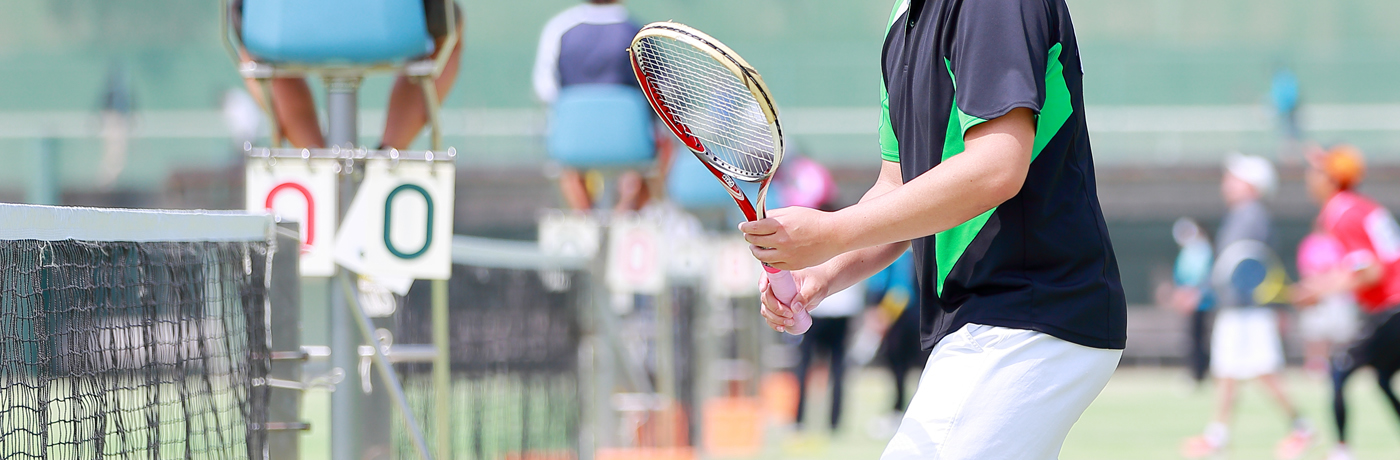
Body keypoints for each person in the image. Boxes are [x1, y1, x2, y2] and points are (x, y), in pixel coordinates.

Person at [740, 0, 1127, 458]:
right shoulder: (901, 20)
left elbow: (997, 167)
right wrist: (824, 274)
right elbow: (898, 185)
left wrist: (832, 231)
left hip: (1028, 313)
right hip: (990, 321)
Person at [1181, 153, 1314, 460]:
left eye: (1235, 177)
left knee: (1264, 370)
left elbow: (1237, 267)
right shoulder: (1245, 214)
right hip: (1238, 309)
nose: (1227, 182)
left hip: (1248, 310)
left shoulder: (1250, 215)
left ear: (1252, 185)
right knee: (1227, 370)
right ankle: (1218, 436)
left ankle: (1302, 427)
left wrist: (1203, 291)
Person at [232, 0, 464, 150]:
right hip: (392, 26)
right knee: (449, 38)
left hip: (284, 30)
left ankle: (316, 161)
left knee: (256, 45)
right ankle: (389, 156)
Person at [1291, 145, 1400, 460]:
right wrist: (1319, 285)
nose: (1309, 178)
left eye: (1316, 171)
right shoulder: (1360, 207)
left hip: (1390, 308)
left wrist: (1319, 291)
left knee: (1339, 369)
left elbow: (1371, 272)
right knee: (1382, 376)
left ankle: (1342, 451)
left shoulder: (1340, 212)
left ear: (1332, 178)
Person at [533, 0, 655, 212]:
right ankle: (625, 217)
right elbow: (660, 95)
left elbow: (545, 91)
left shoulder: (559, 30)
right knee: (662, 143)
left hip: (572, 145)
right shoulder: (639, 34)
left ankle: (585, 220)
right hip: (630, 144)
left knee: (565, 149)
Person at [1159, 217, 1216, 386]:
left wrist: (1192, 294)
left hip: (1201, 303)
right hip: (1190, 302)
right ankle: (1196, 372)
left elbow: (1203, 277)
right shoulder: (1190, 250)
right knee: (1193, 338)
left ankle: (1200, 373)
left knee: (1200, 338)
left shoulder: (1203, 249)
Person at [1295, 232, 1360, 376]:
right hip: (1317, 296)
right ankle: (1316, 368)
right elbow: (1307, 271)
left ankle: (1345, 365)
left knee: (1343, 337)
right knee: (1315, 335)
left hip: (1340, 297)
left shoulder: (1344, 240)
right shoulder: (1310, 243)